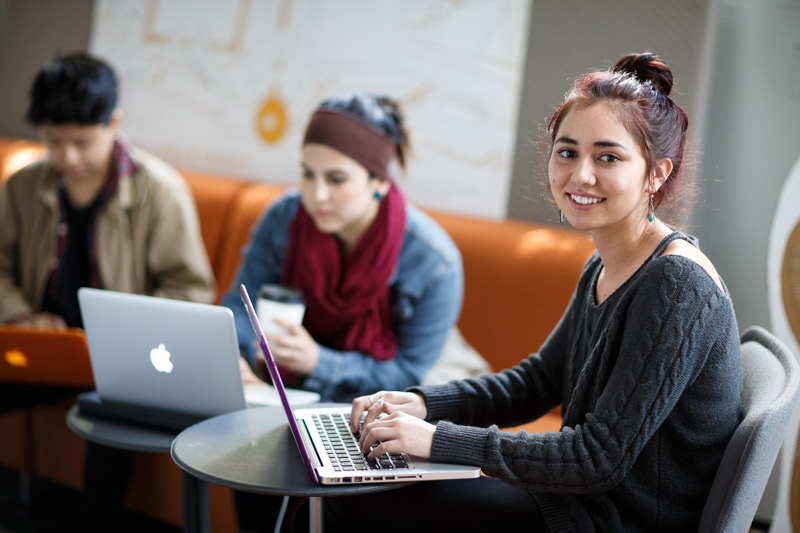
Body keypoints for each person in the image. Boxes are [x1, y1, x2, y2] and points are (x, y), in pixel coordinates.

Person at [325, 53, 743, 532]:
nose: (580, 175)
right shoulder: (609, 262)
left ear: (657, 173)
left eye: (608, 157)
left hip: (610, 519)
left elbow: (596, 457)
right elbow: (537, 383)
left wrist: (436, 440)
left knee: (361, 498)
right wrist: (422, 405)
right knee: (364, 482)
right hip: (580, 501)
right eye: (567, 152)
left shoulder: (675, 287)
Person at [221, 93, 467, 530]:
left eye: (336, 179)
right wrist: (241, 353)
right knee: (251, 447)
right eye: (307, 174)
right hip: (283, 393)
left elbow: (410, 373)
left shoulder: (432, 262)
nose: (316, 195)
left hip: (371, 405)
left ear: (379, 182)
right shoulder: (283, 218)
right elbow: (238, 310)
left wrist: (319, 362)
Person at [0, 51, 216, 529]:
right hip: (41, 352)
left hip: (122, 366)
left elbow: (191, 291)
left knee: (114, 423)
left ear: (113, 122)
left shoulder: (159, 193)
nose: (67, 157)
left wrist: (129, 337)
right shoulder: (23, 185)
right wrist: (18, 315)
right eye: (54, 142)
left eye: (81, 141)